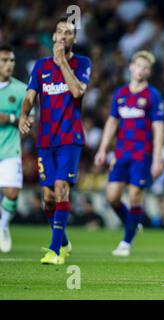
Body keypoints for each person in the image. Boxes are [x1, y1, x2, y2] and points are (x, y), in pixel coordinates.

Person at [19, 15, 91, 265]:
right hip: (45, 140)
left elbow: (77, 91)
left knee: (61, 189)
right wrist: (23, 116)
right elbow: (30, 95)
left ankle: (55, 251)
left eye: (69, 33)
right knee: (48, 198)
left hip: (70, 138)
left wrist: (62, 63)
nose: (63, 36)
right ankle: (63, 241)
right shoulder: (40, 66)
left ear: (74, 38)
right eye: (60, 31)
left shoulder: (82, 63)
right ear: (53, 36)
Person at [94, 50, 164, 257]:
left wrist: (158, 159)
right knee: (112, 197)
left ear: (149, 72)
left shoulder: (152, 95)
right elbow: (112, 122)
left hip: (142, 154)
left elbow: (158, 128)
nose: (141, 70)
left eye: (146, 67)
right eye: (138, 66)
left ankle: (126, 242)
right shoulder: (120, 94)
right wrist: (102, 149)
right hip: (121, 153)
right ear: (131, 67)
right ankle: (132, 224)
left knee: (135, 196)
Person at [0, 43, 27, 253]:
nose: (8, 65)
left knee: (12, 193)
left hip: (10, 149)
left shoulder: (21, 90)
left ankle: (3, 226)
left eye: (11, 60)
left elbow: (29, 122)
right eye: (4, 60)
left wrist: (9, 118)